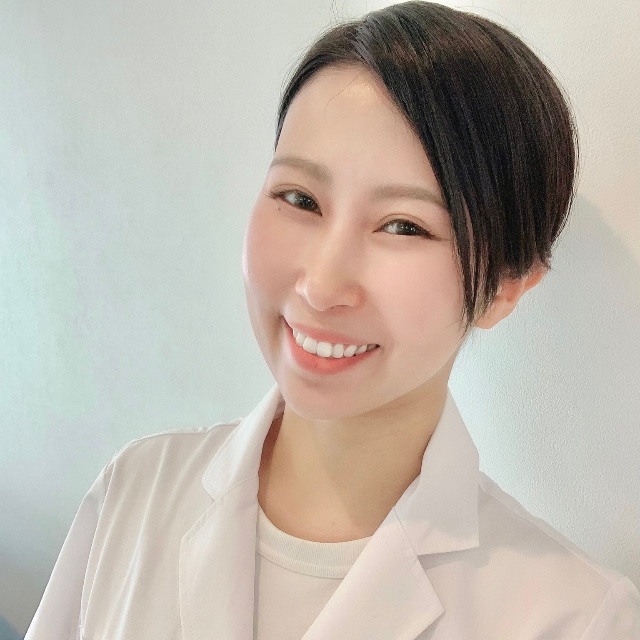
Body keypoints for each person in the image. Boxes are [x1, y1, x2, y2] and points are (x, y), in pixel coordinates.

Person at [25, 2, 640, 638]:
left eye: (404, 226)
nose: (320, 287)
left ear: (506, 287)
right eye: (300, 198)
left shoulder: (576, 618)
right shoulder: (135, 492)